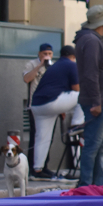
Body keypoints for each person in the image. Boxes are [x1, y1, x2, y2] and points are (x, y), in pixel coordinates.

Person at [75, 5, 103, 187]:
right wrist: (97, 101)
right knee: (94, 145)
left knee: (99, 146)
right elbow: (91, 73)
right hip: (97, 101)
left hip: (101, 98)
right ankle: (87, 184)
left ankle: (96, 183)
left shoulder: (90, 39)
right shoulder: (92, 41)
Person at [29, 45, 79, 179]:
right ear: (73, 57)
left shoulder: (55, 66)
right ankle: (78, 123)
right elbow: (76, 88)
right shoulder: (71, 65)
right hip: (51, 102)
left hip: (36, 104)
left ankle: (37, 170)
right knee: (84, 94)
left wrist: (62, 107)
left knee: (42, 138)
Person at [23, 42, 54, 177]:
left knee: (48, 138)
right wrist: (41, 65)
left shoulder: (54, 67)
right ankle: (32, 167)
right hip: (35, 105)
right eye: (44, 54)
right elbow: (26, 78)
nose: (47, 56)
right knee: (36, 136)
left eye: (49, 54)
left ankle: (44, 165)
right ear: (39, 54)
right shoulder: (31, 64)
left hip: (50, 106)